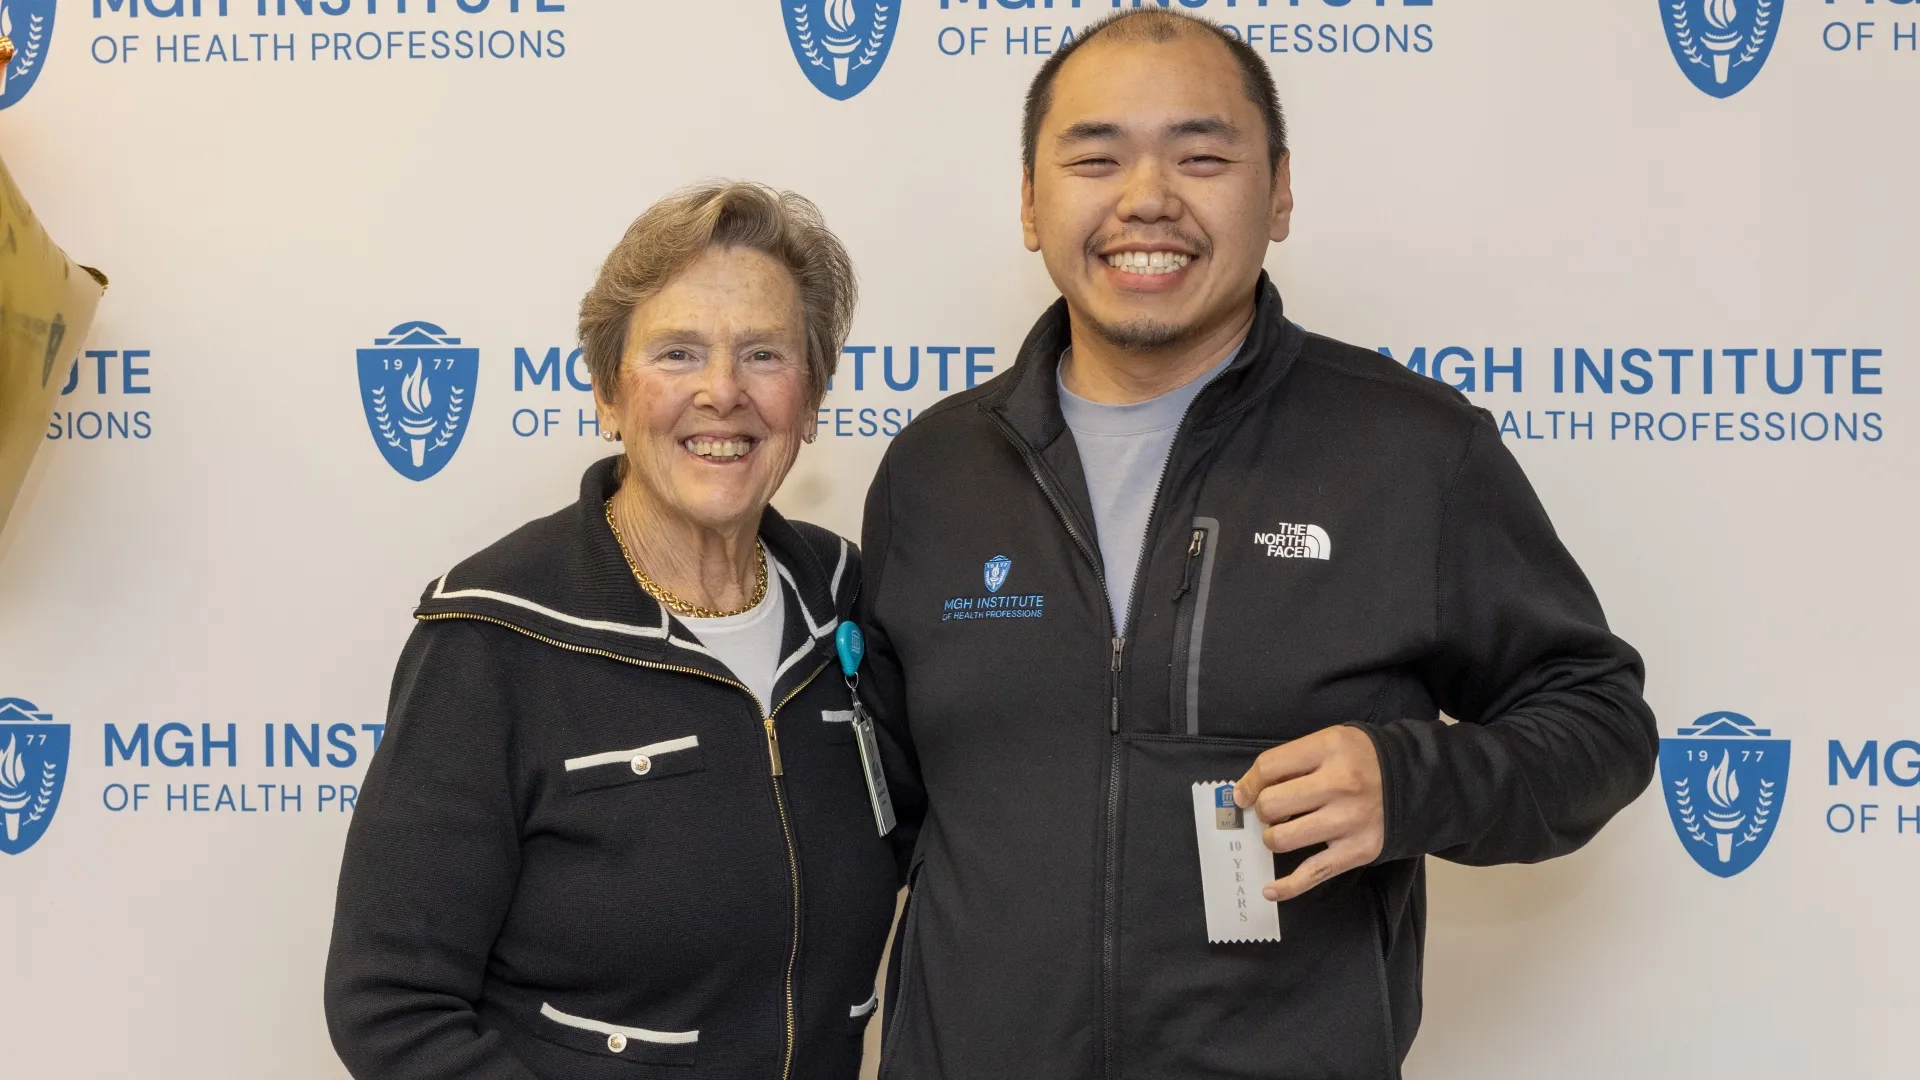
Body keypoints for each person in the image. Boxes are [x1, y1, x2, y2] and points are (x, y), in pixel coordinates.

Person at [856, 11, 1658, 1078]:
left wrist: (1412, 779)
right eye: (1095, 157)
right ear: (1028, 202)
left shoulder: (1413, 451)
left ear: (1279, 193)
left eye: (1202, 156)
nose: (1147, 197)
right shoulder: (933, 472)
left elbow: (1601, 724)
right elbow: (871, 810)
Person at [324, 182, 897, 1080]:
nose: (722, 392)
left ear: (813, 397)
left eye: (763, 354)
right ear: (607, 393)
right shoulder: (492, 634)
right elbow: (391, 1005)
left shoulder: (849, 602)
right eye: (677, 353)